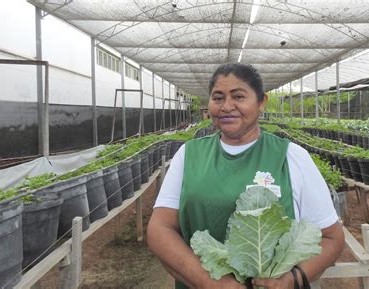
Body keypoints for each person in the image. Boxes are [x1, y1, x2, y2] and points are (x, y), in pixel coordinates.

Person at [147, 63, 345, 289]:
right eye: (218, 98)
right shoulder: (189, 154)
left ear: (262, 102)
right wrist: (210, 283)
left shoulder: (292, 156)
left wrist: (293, 280)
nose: (227, 106)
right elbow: (159, 228)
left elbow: (332, 238)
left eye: (239, 96)